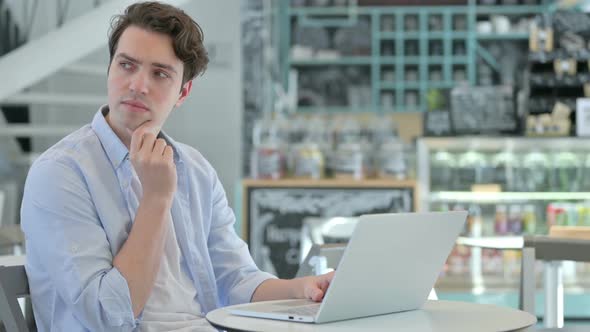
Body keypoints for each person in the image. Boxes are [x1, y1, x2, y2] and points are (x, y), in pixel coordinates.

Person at [20, 2, 334, 331]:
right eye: (126, 65)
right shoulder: (60, 174)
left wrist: (301, 289)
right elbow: (107, 316)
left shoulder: (195, 169)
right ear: (110, 69)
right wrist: (156, 198)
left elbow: (236, 280)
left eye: (160, 74)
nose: (138, 85)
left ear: (183, 91)